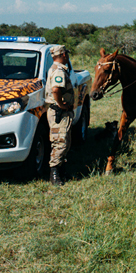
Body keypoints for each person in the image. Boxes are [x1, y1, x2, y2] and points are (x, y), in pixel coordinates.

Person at [45, 45, 75, 186]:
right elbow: (56, 89)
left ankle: (61, 170)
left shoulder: (56, 68)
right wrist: (61, 105)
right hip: (59, 112)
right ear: (63, 54)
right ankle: (55, 173)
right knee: (60, 142)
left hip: (61, 112)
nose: (67, 56)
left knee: (65, 141)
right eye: (66, 54)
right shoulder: (59, 70)